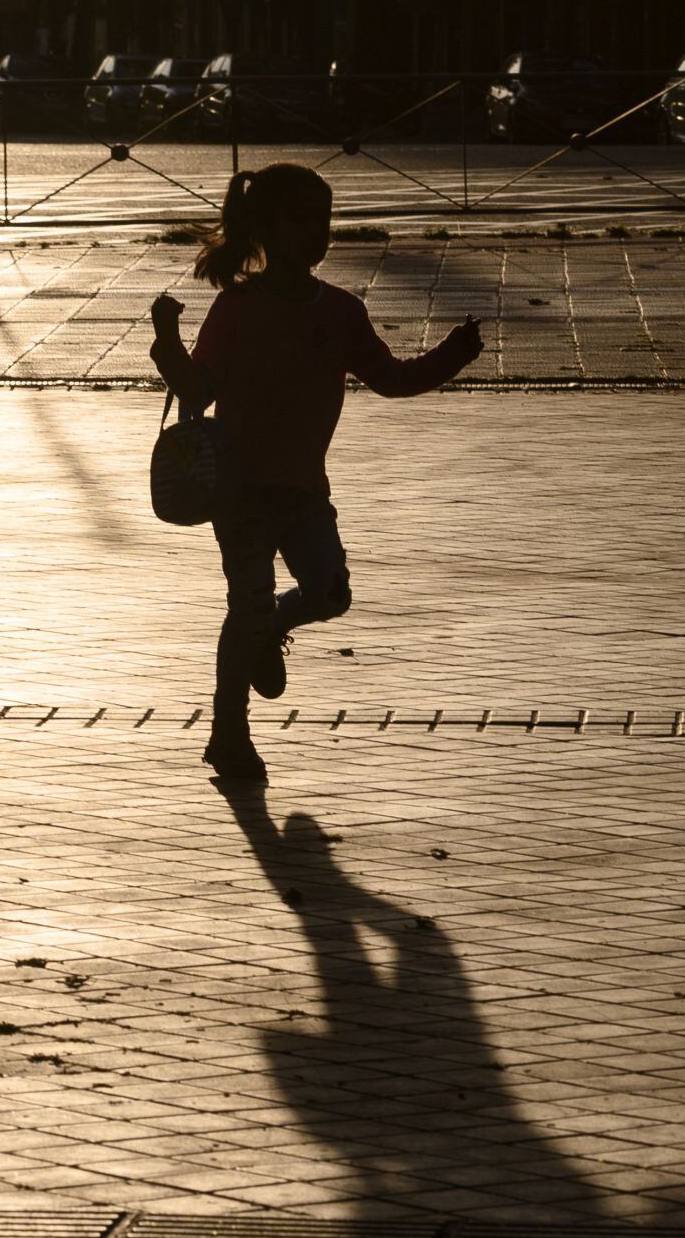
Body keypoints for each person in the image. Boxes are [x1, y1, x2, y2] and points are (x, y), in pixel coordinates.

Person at [149, 162, 482, 782]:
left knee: (331, 593)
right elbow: (197, 389)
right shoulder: (237, 307)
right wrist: (167, 342)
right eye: (302, 220)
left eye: (324, 221)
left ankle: (277, 624)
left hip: (304, 493)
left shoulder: (343, 312)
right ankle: (229, 732)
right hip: (240, 494)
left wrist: (452, 355)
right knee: (242, 608)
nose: (317, 234)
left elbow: (391, 378)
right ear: (265, 230)